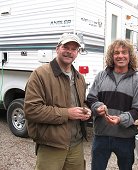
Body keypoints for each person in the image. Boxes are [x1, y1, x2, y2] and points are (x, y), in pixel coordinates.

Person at [24, 33, 91, 170]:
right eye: (66, 47)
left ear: (77, 53)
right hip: (51, 145)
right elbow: (31, 110)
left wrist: (86, 110)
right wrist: (67, 113)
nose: (69, 52)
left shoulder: (79, 78)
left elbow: (80, 102)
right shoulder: (40, 75)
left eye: (74, 49)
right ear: (57, 49)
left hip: (76, 144)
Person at [86, 39, 138, 170]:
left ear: (130, 56)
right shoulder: (101, 76)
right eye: (116, 53)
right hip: (101, 135)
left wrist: (121, 119)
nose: (120, 56)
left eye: (124, 52)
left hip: (125, 138)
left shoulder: (137, 81)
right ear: (111, 56)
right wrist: (97, 107)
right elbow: (90, 98)